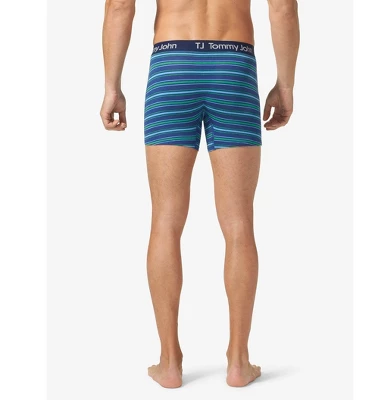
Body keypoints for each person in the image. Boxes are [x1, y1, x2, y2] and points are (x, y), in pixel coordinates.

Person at [100, 0, 299, 389]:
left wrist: (111, 86)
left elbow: (120, 5)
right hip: (233, 65)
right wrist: (286, 84)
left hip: (173, 65)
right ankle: (238, 362)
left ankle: (169, 362)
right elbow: (283, 9)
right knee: (239, 223)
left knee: (165, 221)